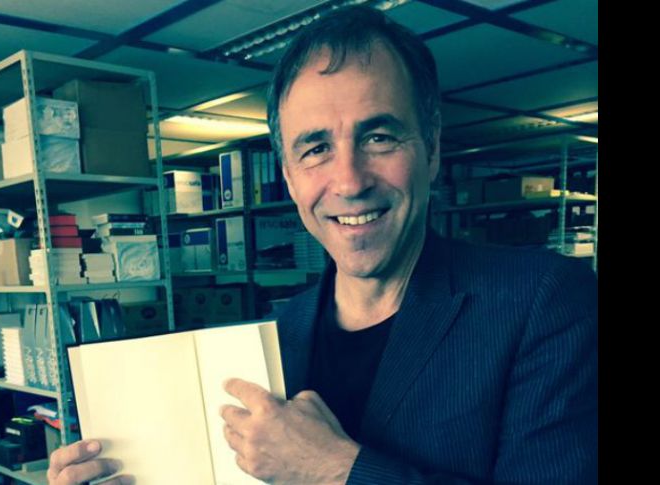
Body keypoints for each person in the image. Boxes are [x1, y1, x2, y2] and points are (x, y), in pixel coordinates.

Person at [48, 6, 597, 484]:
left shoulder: (544, 301)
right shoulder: (278, 334)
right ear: (289, 177)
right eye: (315, 149)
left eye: (378, 137)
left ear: (430, 148)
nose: (350, 181)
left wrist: (336, 471)